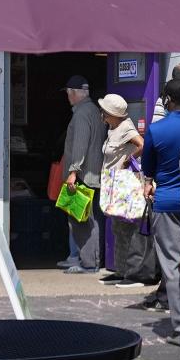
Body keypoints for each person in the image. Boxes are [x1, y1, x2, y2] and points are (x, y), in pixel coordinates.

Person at [142, 78, 180, 350]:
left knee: (173, 266)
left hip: (166, 202)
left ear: (167, 99)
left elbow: (148, 169)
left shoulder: (156, 129)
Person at [59, 75, 107, 273]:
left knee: (84, 221)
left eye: (69, 93)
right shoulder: (94, 110)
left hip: (83, 176)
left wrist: (73, 171)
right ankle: (85, 258)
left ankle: (89, 263)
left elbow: (80, 145)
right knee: (89, 218)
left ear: (75, 94)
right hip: (94, 173)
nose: (68, 97)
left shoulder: (81, 114)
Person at [97, 93, 144, 285]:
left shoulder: (125, 127)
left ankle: (130, 272)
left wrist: (128, 160)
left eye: (106, 112)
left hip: (124, 185)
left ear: (114, 114)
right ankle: (120, 269)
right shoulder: (112, 128)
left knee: (127, 227)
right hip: (112, 184)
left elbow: (142, 144)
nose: (103, 115)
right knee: (117, 227)